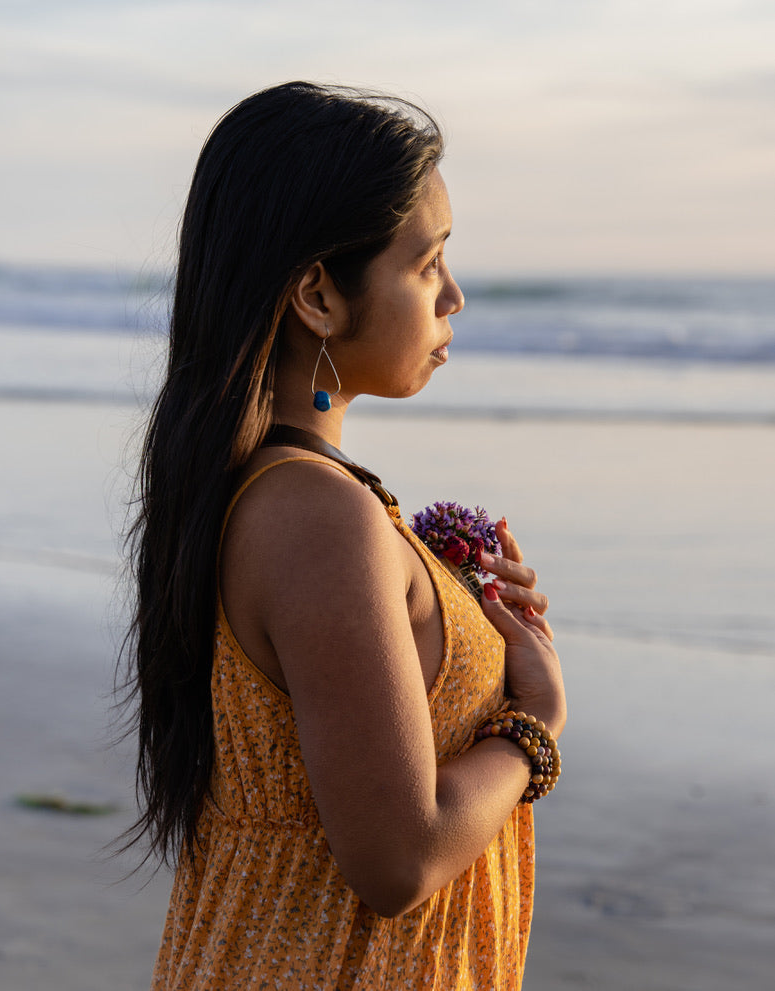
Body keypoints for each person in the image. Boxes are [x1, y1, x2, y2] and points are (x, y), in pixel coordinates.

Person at [121, 81, 566, 990]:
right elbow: (397, 858)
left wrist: (461, 622)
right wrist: (533, 728)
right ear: (318, 295)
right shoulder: (315, 516)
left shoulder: (276, 493)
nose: (455, 296)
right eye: (426, 263)